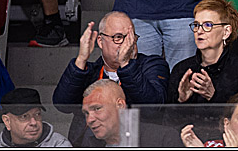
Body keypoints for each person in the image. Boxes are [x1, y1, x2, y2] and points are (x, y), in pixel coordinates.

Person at [53, 11, 168, 143]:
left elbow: (152, 109)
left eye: (131, 37)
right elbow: (63, 105)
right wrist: (81, 59)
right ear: (101, 42)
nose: (126, 44)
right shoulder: (89, 72)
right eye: (118, 37)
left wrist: (126, 65)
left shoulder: (152, 65)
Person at [168, 0, 238, 106]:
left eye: (208, 25)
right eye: (196, 25)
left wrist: (214, 96)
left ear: (226, 32)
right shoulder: (181, 69)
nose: (199, 31)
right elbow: (166, 120)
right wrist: (181, 100)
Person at [78, 80, 177, 147]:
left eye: (97, 108)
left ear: (120, 105)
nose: (90, 120)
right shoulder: (89, 145)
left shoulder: (162, 138)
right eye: (86, 113)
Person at [0, 87, 71, 148]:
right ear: (7, 121)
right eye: (24, 116)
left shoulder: (59, 144)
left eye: (37, 114)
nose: (34, 122)